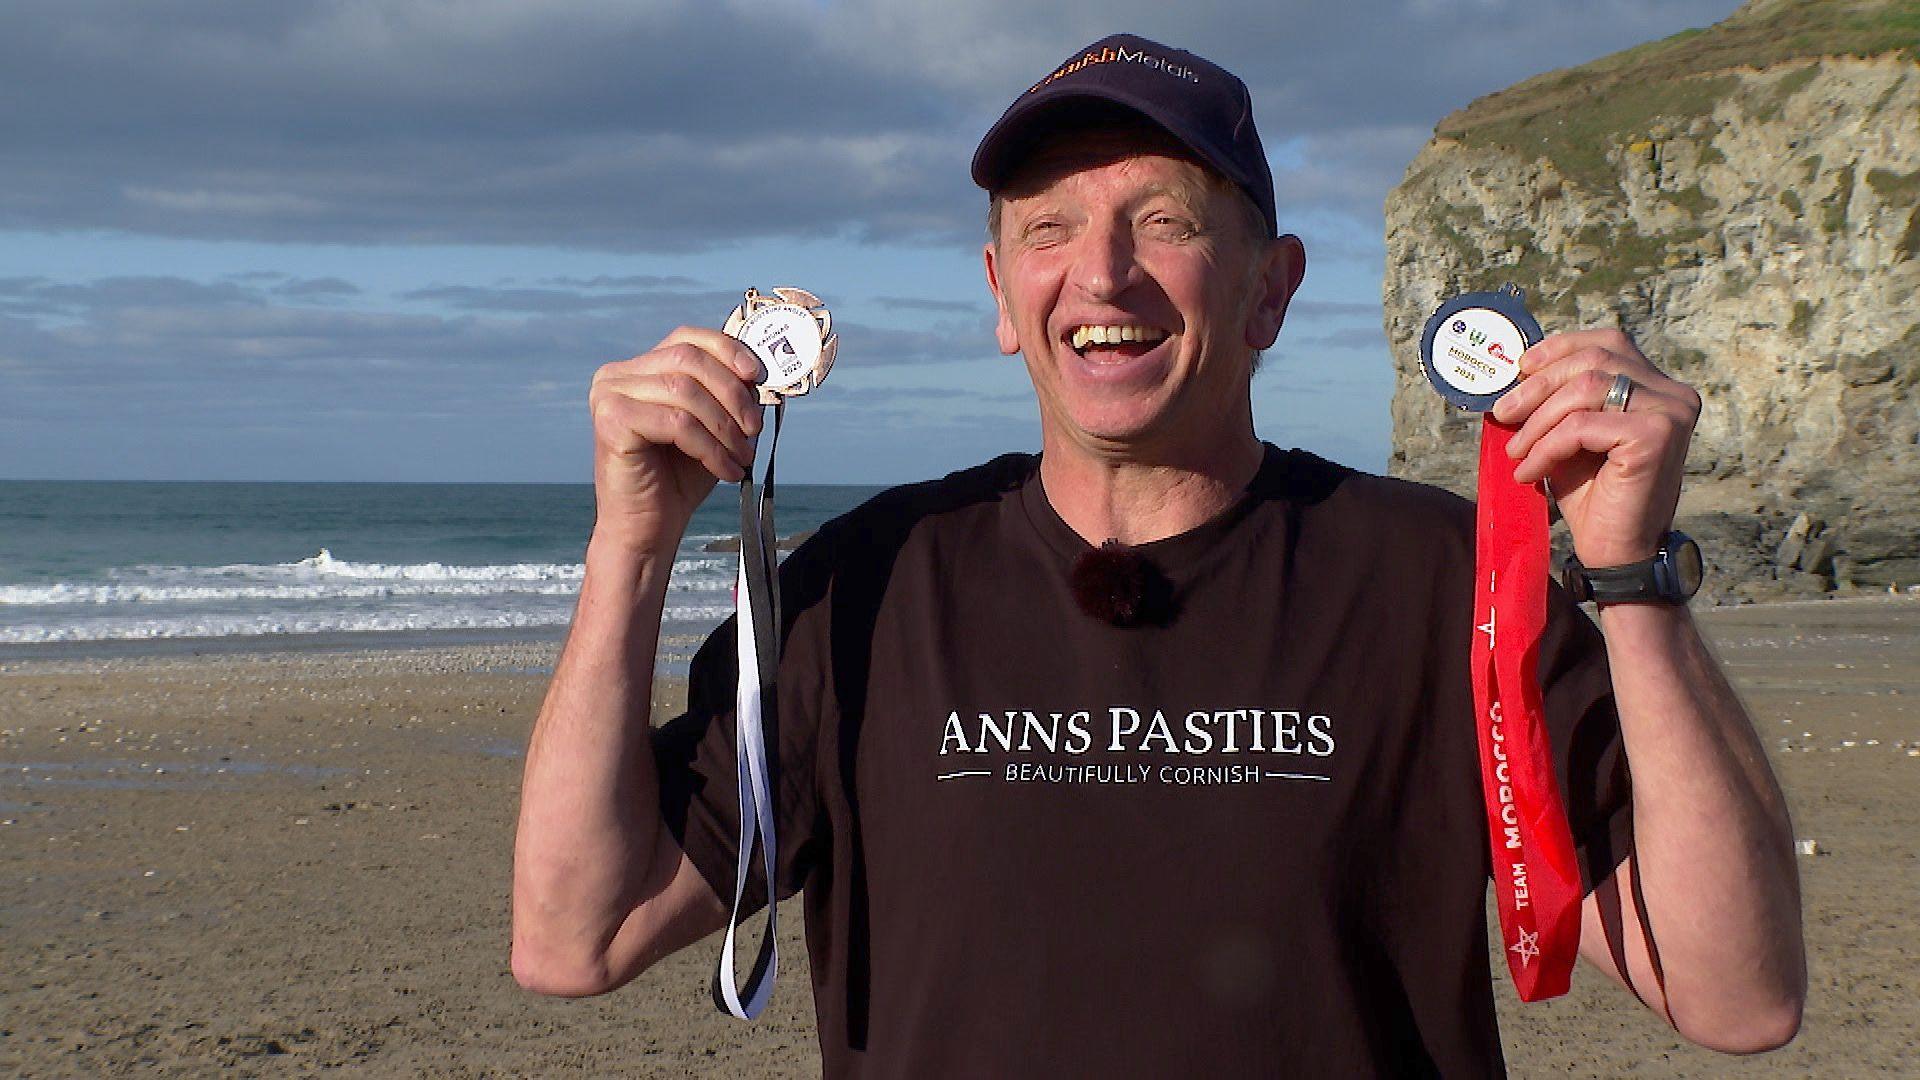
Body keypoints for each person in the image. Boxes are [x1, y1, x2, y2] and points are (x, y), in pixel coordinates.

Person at [512, 33, 1805, 1076]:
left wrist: (1630, 580)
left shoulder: (1440, 584)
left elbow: (1737, 998)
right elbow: (577, 935)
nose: (1104, 276)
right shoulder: (863, 591)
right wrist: (633, 535)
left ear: (1271, 289)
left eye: (1166, 223)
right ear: (1001, 294)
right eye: (1050, 231)